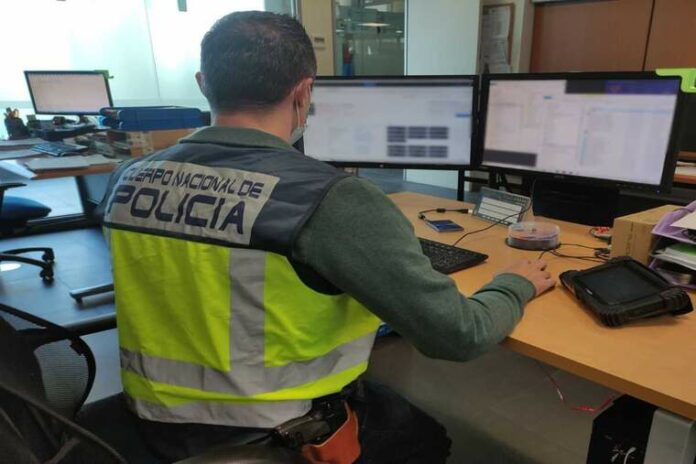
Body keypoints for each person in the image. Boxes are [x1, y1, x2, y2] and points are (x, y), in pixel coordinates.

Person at [101, 10, 555, 463]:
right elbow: (459, 335)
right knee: (426, 439)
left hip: (148, 421)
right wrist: (514, 284)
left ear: (203, 84)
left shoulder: (128, 178)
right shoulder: (327, 198)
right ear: (304, 92)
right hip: (278, 428)